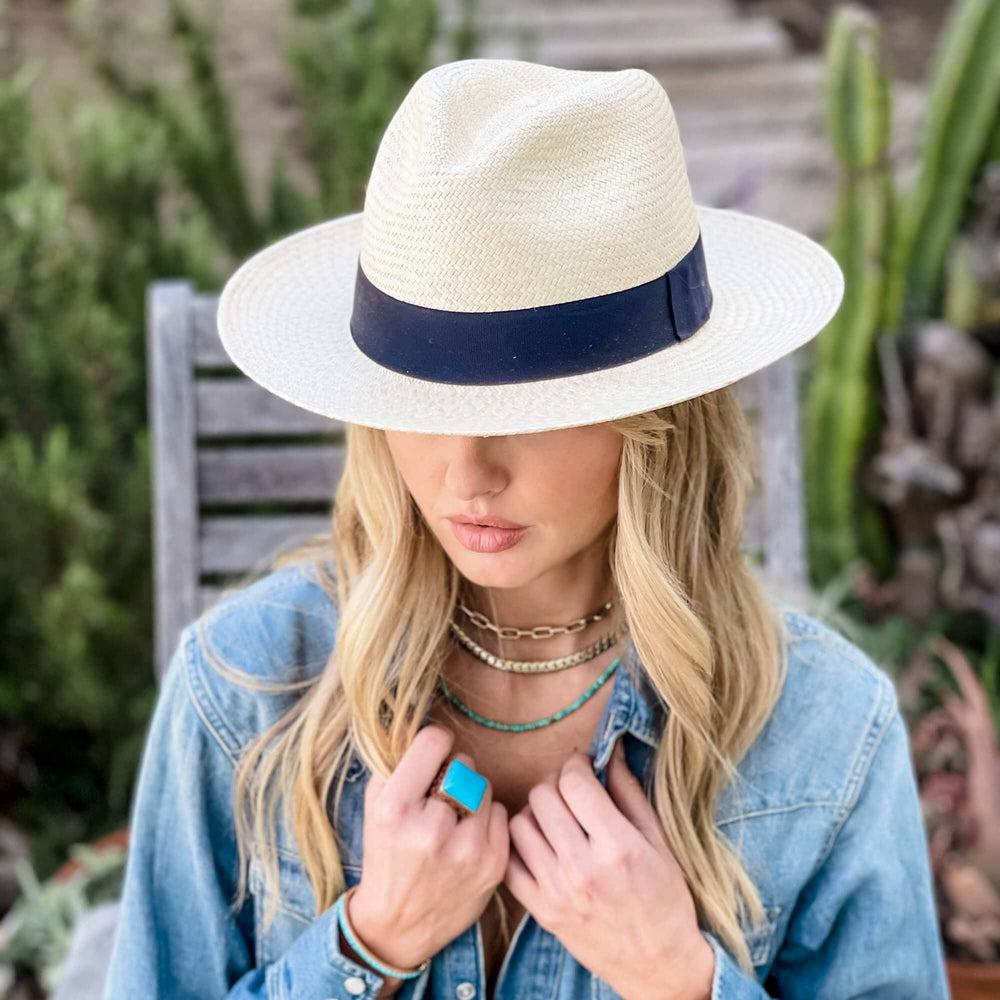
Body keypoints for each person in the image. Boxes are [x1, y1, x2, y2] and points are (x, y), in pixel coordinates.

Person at [103, 58, 949, 999]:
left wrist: (680, 979)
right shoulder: (247, 689)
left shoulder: (822, 730)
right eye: (420, 398)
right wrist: (367, 946)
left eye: (534, 406)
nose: (467, 472)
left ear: (656, 420)